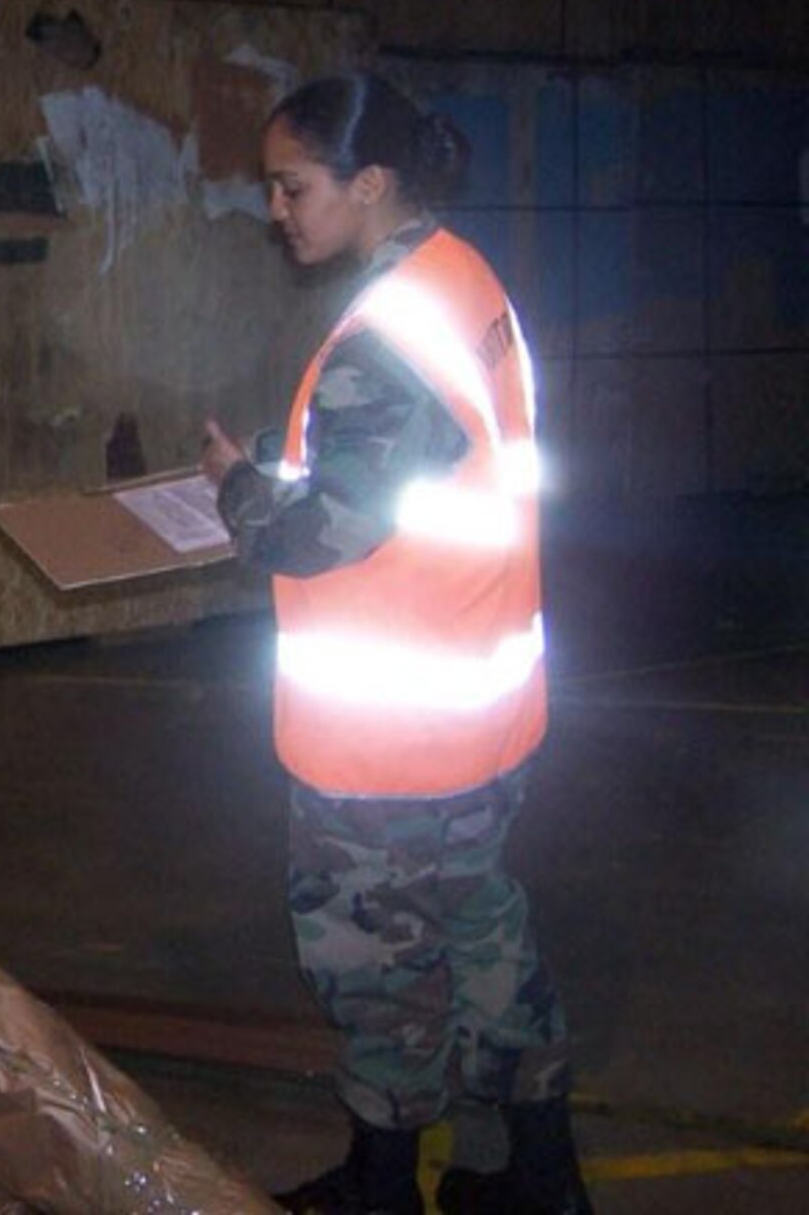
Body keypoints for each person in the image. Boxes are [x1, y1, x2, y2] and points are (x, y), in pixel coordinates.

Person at [199, 72, 592, 1215]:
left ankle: (379, 1191)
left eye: (293, 186)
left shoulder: (388, 338)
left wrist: (232, 492)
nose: (277, 209)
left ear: (367, 185)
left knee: (376, 972)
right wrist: (290, 464)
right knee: (483, 937)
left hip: (387, 752)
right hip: (476, 717)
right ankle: (540, 1176)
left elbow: (318, 531)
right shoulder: (456, 283)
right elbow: (404, 468)